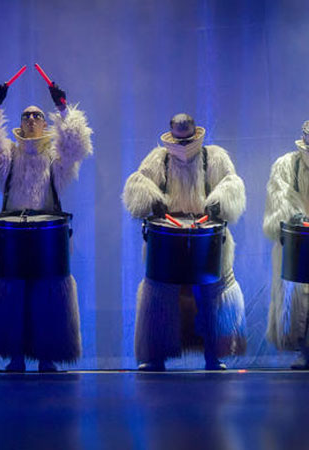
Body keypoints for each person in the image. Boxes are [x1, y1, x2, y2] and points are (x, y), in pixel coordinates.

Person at [0, 80, 92, 372]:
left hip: (48, 235)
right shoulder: (8, 157)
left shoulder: (55, 159)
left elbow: (77, 145)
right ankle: (16, 356)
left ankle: (47, 356)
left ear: (45, 123)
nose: (31, 118)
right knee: (12, 295)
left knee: (48, 294)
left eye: (37, 115)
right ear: (19, 123)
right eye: (26, 115)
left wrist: (63, 108)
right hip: (12, 235)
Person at [123, 113, 246, 370]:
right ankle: (156, 355)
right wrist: (152, 199)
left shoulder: (214, 157)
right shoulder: (159, 158)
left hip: (207, 236)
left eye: (187, 140)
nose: (183, 146)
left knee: (213, 292)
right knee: (160, 293)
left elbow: (231, 183)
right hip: (168, 236)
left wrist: (218, 202)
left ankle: (215, 353)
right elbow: (138, 182)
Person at [263, 119, 309, 370]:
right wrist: (290, 215)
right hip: (297, 240)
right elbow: (278, 195)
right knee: (295, 295)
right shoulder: (286, 165)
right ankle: (303, 351)